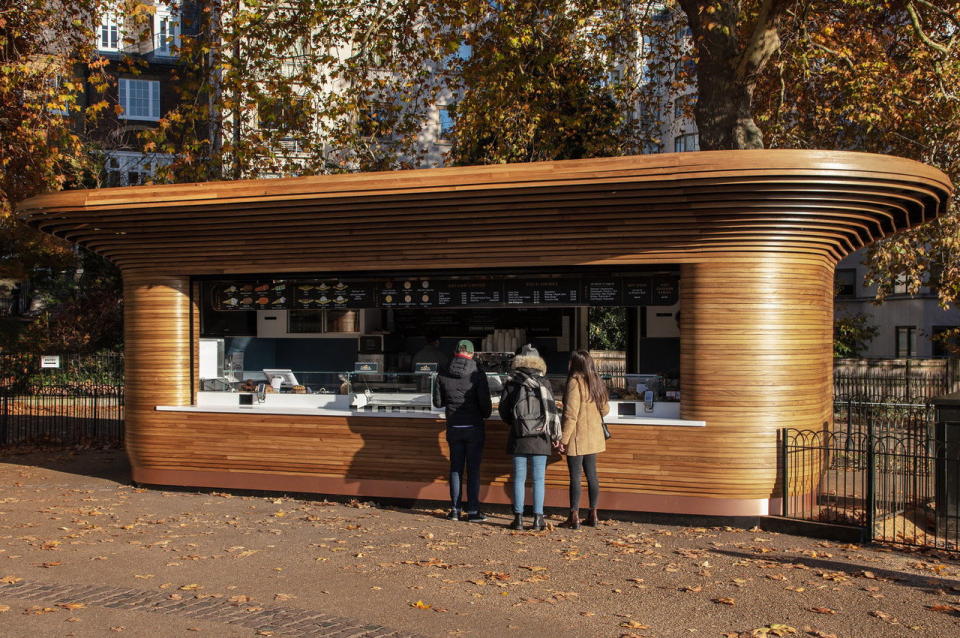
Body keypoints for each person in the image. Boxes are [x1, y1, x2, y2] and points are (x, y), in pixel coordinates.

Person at [499, 344, 561, 531]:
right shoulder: (545, 382)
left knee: (518, 478)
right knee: (538, 479)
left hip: (519, 436)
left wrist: (517, 424)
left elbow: (504, 411)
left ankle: (518, 519)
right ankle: (537, 519)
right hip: (540, 437)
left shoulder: (512, 382)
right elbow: (552, 411)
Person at [433, 339, 492, 522]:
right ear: (472, 354)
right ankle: (473, 511)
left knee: (456, 469)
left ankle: (455, 510)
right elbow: (486, 408)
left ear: (455, 352)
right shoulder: (478, 373)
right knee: (473, 470)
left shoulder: (442, 371)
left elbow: (438, 402)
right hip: (474, 427)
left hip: (454, 427)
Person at [558, 349, 610, 529]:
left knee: (575, 477)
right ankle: (593, 514)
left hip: (577, 437)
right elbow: (605, 410)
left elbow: (570, 415)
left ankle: (573, 517)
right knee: (592, 476)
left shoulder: (574, 382)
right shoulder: (596, 381)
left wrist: (563, 440)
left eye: (571, 361)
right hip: (593, 437)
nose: (568, 364)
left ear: (576, 364)